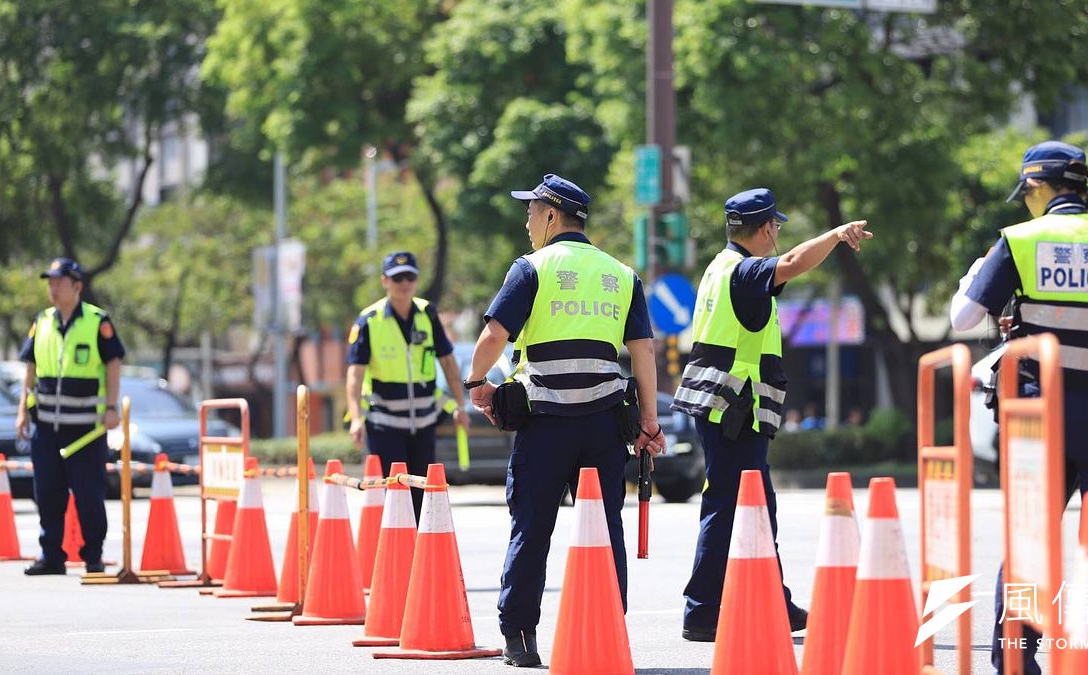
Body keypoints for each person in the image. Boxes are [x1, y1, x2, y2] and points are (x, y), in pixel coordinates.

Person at [949, 141, 1088, 674]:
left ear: (1038, 187)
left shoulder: (1021, 240)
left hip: (1041, 418)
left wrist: (974, 277)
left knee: (1031, 540)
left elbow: (963, 318)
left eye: (1028, 194)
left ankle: (1017, 660)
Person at [465, 174, 662, 668]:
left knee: (532, 527)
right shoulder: (622, 274)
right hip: (603, 426)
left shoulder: (531, 268)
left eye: (531, 212)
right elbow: (642, 353)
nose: (527, 221)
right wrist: (650, 422)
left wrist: (476, 385)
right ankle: (606, 631)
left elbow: (494, 337)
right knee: (604, 529)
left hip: (545, 423)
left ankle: (520, 638)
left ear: (552, 215)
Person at [671, 187, 872, 642]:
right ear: (766, 229)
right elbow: (793, 263)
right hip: (735, 410)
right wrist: (837, 235)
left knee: (752, 505)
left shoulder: (720, 269)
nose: (778, 234)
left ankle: (770, 602)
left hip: (725, 409)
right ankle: (702, 612)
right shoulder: (744, 272)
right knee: (730, 505)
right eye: (776, 226)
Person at [16, 258, 124, 575]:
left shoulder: (97, 321)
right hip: (47, 427)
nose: (53, 287)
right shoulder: (43, 321)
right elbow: (31, 368)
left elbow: (113, 363)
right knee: (47, 493)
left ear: (76, 286)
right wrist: (22, 410)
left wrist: (113, 407)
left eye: (59, 281)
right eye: (50, 281)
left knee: (89, 494)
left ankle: (93, 556)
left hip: (86, 431)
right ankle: (52, 556)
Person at [345, 251, 468, 517]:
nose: (404, 283)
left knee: (421, 495)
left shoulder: (428, 314)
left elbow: (448, 362)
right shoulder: (370, 320)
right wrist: (355, 418)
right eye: (397, 277)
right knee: (395, 496)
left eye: (409, 277)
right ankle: (396, 553)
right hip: (384, 425)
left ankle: (417, 555)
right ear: (384, 281)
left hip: (423, 423)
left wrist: (459, 405)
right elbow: (354, 374)